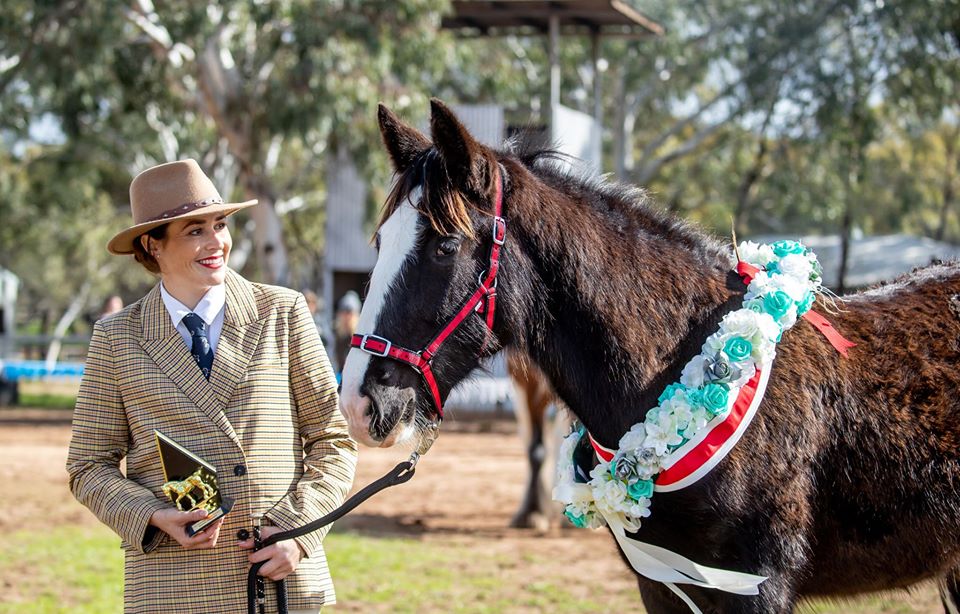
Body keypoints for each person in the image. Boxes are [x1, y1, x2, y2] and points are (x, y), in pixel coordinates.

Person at [66, 159, 357, 613]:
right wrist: (152, 515)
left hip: (278, 580)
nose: (216, 242)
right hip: (173, 586)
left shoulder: (283, 311)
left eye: (219, 224)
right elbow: (88, 466)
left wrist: (297, 533)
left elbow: (334, 442)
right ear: (152, 245)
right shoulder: (115, 337)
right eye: (194, 230)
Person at [333, 291, 361, 373]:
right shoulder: (334, 335)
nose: (347, 317)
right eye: (344, 312)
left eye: (350, 313)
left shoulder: (360, 337)